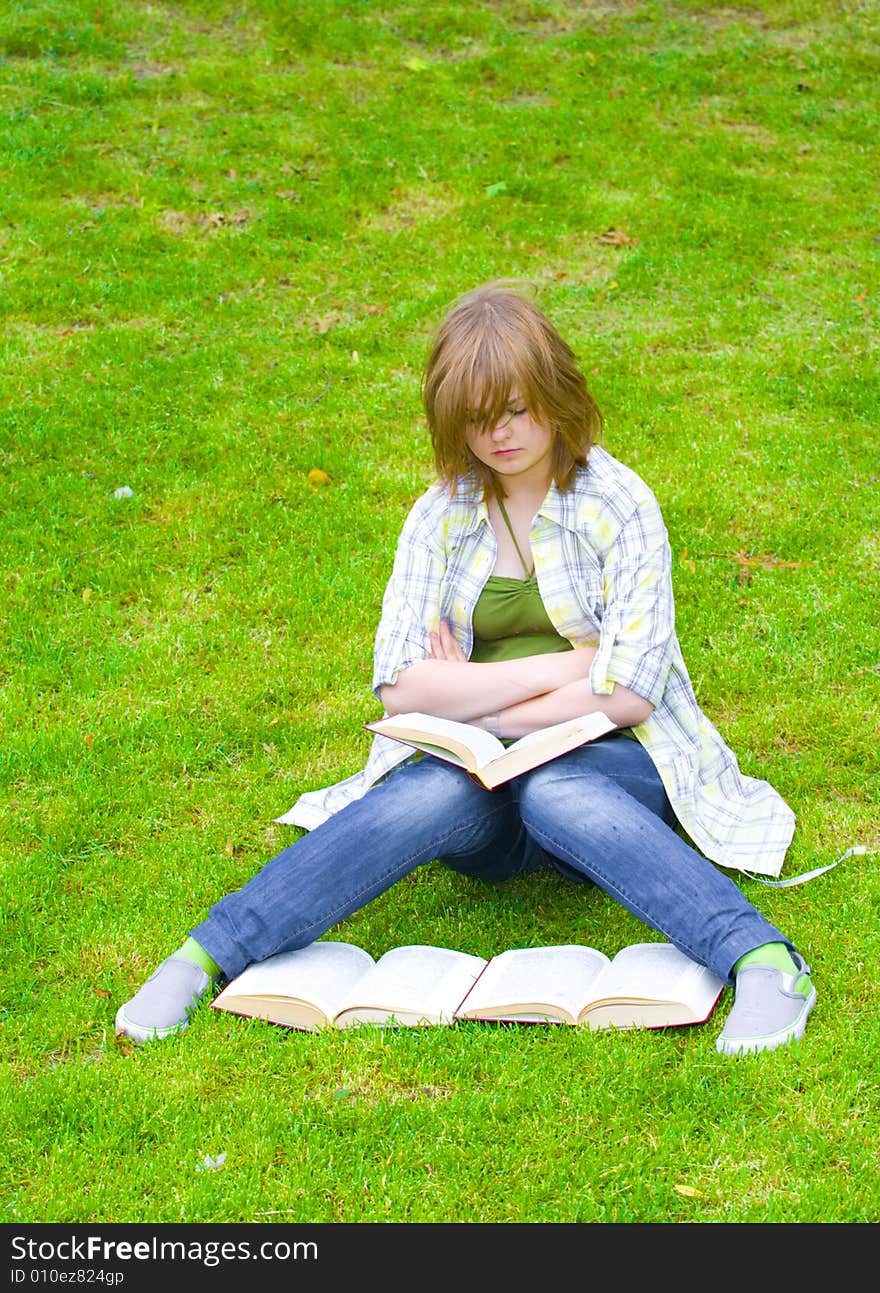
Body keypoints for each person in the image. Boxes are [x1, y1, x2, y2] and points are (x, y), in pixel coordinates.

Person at [116, 282, 816, 1056]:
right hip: (476, 771)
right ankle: (203, 955)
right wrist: (562, 670)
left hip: (610, 767)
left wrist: (473, 699)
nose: (501, 435)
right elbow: (399, 685)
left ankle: (762, 959)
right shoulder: (440, 513)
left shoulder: (617, 503)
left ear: (556, 395)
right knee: (429, 794)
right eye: (479, 419)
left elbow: (627, 696)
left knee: (558, 786)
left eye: (517, 408)